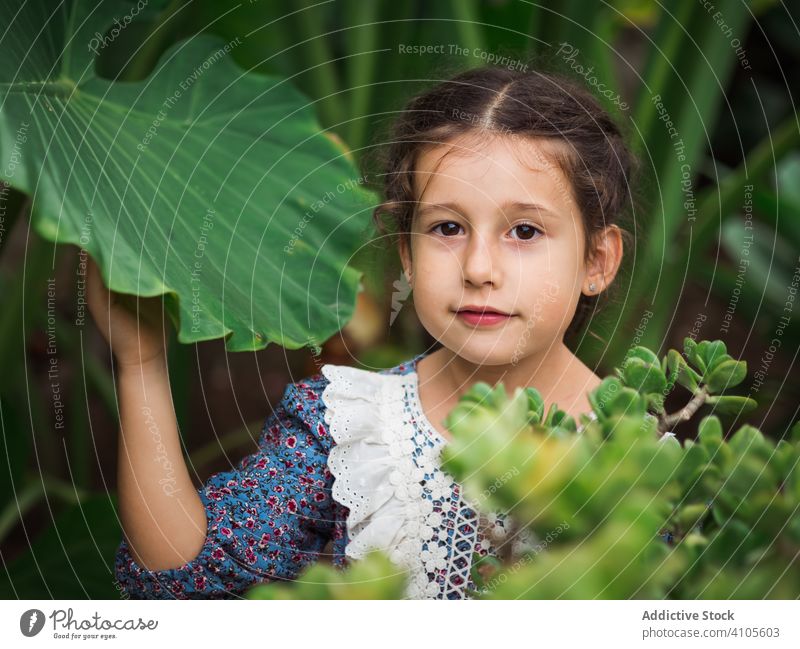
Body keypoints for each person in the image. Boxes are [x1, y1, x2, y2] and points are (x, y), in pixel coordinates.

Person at [87, 64, 658, 600]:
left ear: (597, 262)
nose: (479, 268)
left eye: (526, 230)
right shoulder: (347, 425)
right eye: (448, 227)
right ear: (406, 254)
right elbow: (179, 583)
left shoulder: (653, 463)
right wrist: (140, 363)